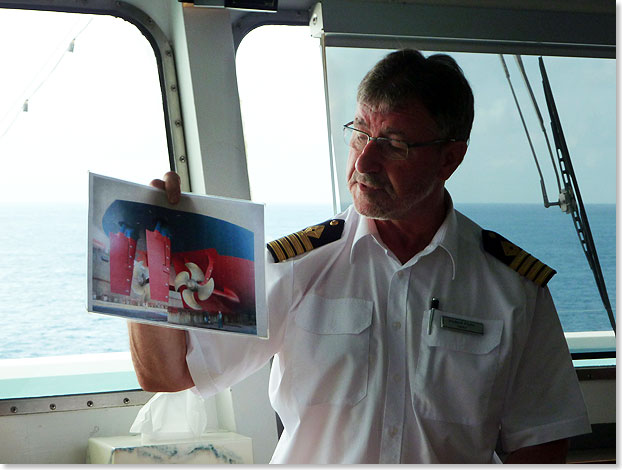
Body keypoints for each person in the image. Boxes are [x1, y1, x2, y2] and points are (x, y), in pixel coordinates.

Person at [128, 49, 591, 463]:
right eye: (359, 133)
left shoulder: (514, 288)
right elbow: (166, 374)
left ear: (450, 159)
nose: (364, 163)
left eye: (393, 145)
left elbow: (542, 440)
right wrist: (148, 257)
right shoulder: (295, 266)